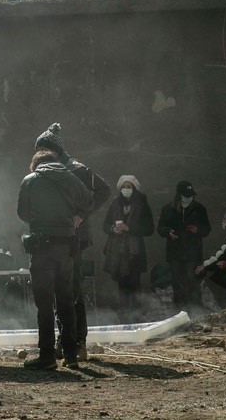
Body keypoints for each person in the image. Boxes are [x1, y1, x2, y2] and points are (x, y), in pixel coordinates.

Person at [33, 123, 110, 360]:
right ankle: (64, 340)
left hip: (74, 237)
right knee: (59, 292)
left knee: (72, 291)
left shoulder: (77, 170)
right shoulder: (47, 170)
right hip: (53, 237)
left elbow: (104, 191)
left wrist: (81, 215)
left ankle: (78, 343)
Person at [18, 145, 91, 370]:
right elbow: (87, 202)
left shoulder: (30, 179)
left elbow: (22, 213)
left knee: (44, 303)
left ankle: (47, 355)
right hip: (67, 246)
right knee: (66, 300)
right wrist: (74, 216)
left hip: (42, 248)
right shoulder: (71, 179)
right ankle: (70, 354)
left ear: (36, 165)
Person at [101, 175, 156, 321]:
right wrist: (114, 229)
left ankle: (137, 315)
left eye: (129, 187)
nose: (126, 189)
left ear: (134, 188)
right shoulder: (115, 204)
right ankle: (124, 316)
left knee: (134, 283)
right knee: (122, 284)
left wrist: (129, 228)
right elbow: (105, 226)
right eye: (123, 187)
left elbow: (149, 229)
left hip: (135, 252)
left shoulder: (142, 204)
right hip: (117, 252)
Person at [156, 180, 212, 315]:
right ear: (179, 194)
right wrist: (168, 231)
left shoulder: (199, 208)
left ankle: (198, 314)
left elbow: (207, 229)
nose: (189, 197)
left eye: (191, 195)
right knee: (177, 284)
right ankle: (181, 315)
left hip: (193, 253)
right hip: (175, 253)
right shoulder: (168, 209)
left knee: (193, 282)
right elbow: (160, 228)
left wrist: (197, 229)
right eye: (186, 195)